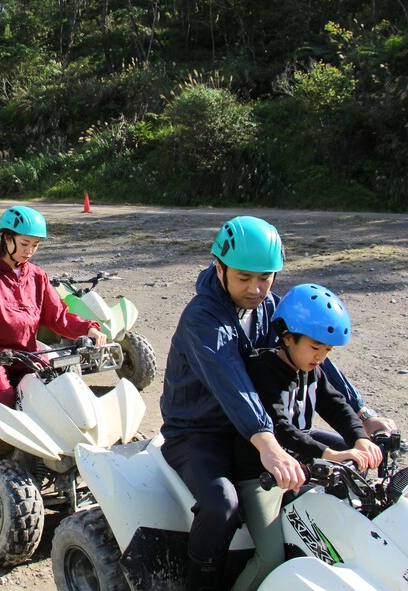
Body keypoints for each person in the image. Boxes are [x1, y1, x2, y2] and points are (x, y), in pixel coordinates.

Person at [159, 215, 394, 591]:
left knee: (345, 463)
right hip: (201, 433)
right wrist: (268, 444)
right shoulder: (202, 318)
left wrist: (362, 415)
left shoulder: (269, 306)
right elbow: (231, 381)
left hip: (256, 428)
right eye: (244, 277)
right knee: (222, 504)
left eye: (265, 277)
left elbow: (313, 357)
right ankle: (202, 584)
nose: (256, 288)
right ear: (218, 266)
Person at [234, 283, 383, 590]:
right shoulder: (263, 371)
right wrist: (327, 455)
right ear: (287, 337)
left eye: (327, 351)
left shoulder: (309, 368)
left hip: (300, 468)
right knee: (269, 558)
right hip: (261, 475)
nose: (321, 357)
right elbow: (281, 428)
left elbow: (336, 404)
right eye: (316, 348)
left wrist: (359, 438)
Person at [0, 205, 107, 407]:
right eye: (24, 243)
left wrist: (88, 329)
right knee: (5, 399)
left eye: (35, 245)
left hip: (27, 356)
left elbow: (58, 316)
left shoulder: (37, 275)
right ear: (6, 238)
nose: (29, 251)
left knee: (55, 389)